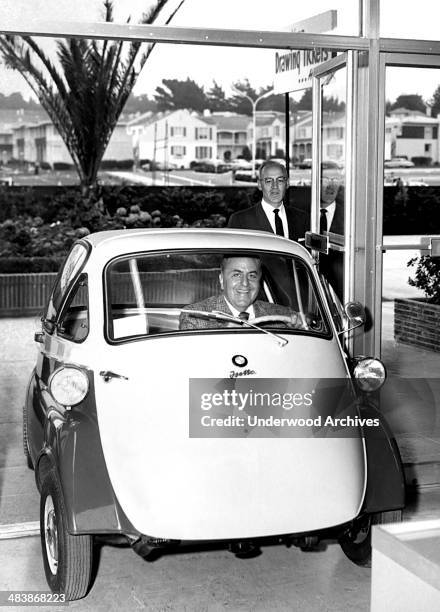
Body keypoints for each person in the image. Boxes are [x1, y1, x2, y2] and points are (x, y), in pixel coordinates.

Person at [179, 255, 300, 330]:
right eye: (236, 275)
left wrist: (300, 329)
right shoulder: (194, 317)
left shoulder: (283, 317)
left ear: (260, 281)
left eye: (252, 276)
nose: (245, 283)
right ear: (221, 280)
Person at [227, 160, 308, 241]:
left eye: (280, 180)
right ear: (259, 185)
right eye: (268, 181)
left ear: (287, 183)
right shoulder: (240, 221)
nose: (274, 186)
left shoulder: (302, 219)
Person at [319, 170, 344, 299]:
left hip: (339, 293)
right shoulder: (302, 214)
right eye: (326, 179)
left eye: (335, 180)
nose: (331, 185)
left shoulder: (349, 217)